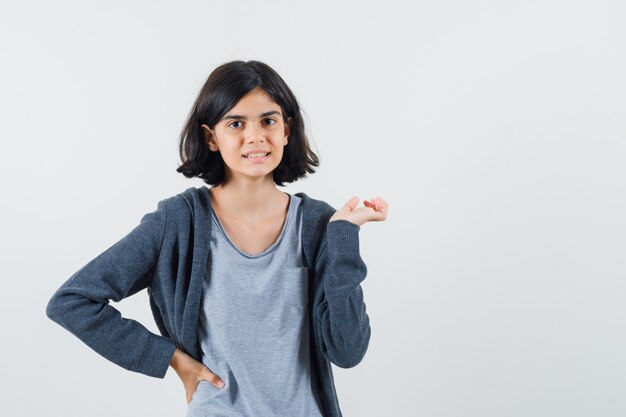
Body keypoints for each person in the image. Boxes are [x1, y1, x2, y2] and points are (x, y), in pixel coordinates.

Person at [46, 60, 389, 417]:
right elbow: (73, 301)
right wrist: (173, 360)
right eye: (236, 123)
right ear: (211, 137)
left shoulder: (319, 223)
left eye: (268, 121)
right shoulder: (178, 222)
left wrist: (345, 237)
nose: (255, 136)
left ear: (287, 131)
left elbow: (348, 351)